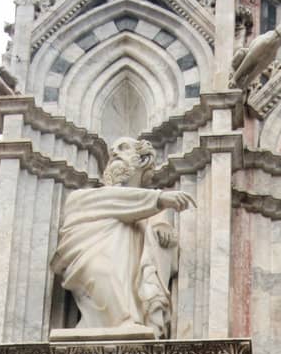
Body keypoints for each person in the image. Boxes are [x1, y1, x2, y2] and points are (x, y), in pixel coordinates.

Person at [51, 137, 193, 336]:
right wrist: (159, 199)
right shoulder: (83, 197)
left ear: (142, 161)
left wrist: (163, 230)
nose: (115, 153)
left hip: (131, 269)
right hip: (90, 259)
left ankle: (132, 318)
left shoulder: (151, 214)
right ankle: (121, 321)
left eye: (123, 148)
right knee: (101, 270)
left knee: (134, 227)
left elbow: (166, 248)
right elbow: (112, 200)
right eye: (112, 151)